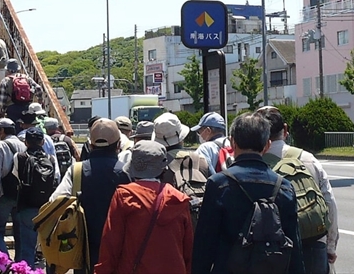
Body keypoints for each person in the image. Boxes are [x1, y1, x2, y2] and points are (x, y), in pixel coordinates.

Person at [192, 112, 305, 274]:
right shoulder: (284, 187)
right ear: (267, 145)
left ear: (232, 142)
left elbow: (205, 244)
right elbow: (294, 248)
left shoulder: (219, 184)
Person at [257, 105, 339, 274]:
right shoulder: (308, 159)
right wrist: (330, 246)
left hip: (273, 249)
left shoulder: (255, 164)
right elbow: (329, 202)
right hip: (313, 244)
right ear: (285, 129)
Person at [95, 140, 193, 274]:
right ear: (163, 169)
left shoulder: (125, 195)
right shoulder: (179, 199)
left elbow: (111, 244)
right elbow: (188, 249)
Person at [49, 118, 130, 273]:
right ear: (118, 145)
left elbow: (55, 201)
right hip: (119, 249)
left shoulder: (77, 170)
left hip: (84, 249)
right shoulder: (127, 172)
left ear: (90, 145)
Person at [13, 126, 58, 268]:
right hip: (47, 207)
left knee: (27, 246)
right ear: (43, 142)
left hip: (26, 205)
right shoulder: (51, 159)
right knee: (49, 246)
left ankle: (28, 270)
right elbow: (56, 178)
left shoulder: (19, 157)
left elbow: (16, 176)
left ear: (25, 142)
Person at [0, 118, 25, 260]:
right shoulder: (23, 145)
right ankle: (19, 265)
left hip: (3, 194)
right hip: (21, 195)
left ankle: (5, 262)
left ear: (2, 130)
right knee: (19, 233)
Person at [0, 59, 43, 130]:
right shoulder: (26, 78)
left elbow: (2, 100)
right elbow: (38, 88)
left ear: (7, 70)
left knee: (14, 129)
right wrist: (40, 100)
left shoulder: (5, 80)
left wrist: (1, 112)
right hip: (26, 107)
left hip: (12, 108)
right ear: (18, 69)